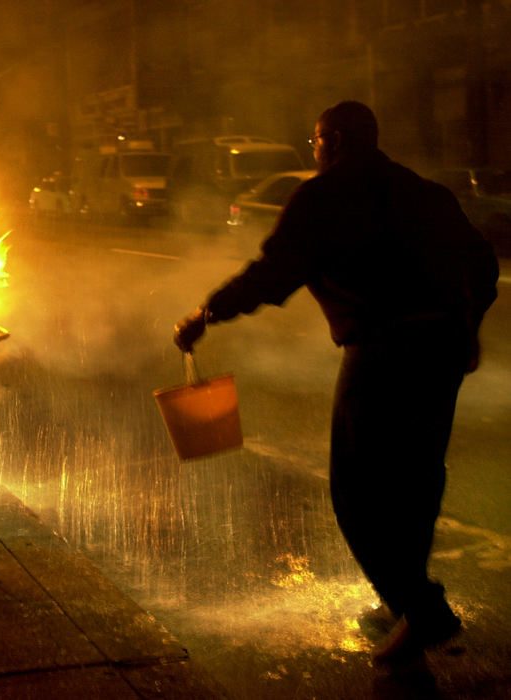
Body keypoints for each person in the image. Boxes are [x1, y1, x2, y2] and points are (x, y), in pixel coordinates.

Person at [173, 101, 499, 663]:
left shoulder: (323, 198)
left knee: (358, 490)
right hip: (439, 351)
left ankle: (420, 610)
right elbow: (483, 265)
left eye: (316, 141)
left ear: (338, 141)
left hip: (382, 353)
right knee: (417, 479)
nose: (315, 150)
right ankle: (401, 604)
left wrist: (205, 315)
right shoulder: (425, 193)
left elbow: (274, 274)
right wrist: (468, 327)